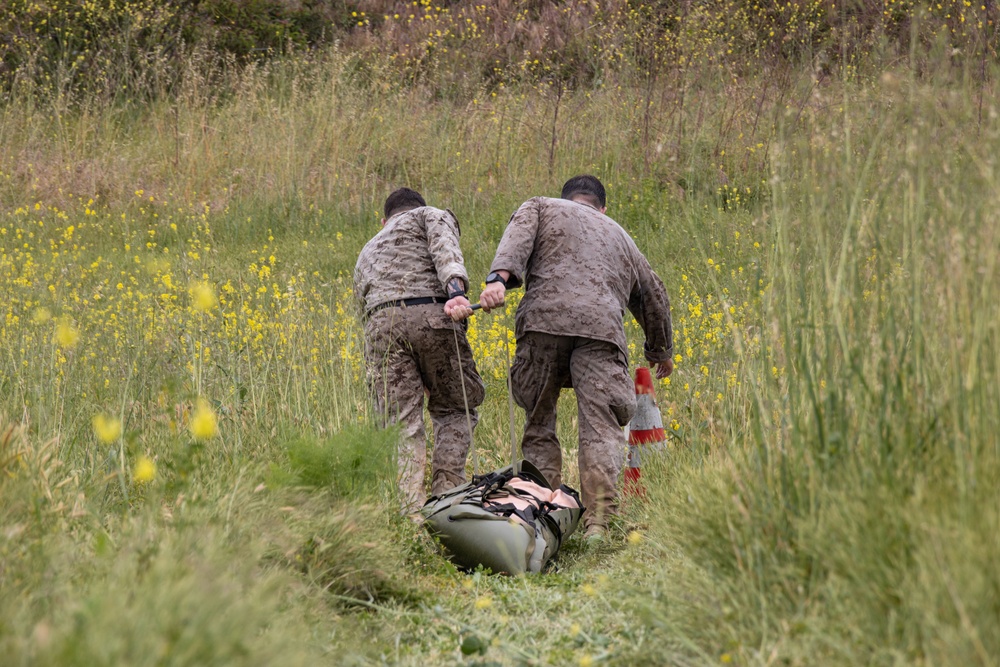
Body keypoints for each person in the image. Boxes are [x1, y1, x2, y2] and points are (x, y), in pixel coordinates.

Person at [450, 175, 673, 541]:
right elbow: (654, 295)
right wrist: (660, 351)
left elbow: (516, 240)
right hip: (601, 331)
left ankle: (539, 519)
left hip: (543, 323)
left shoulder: (542, 205)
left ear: (566, 199)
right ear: (602, 208)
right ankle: (599, 523)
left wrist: (497, 281)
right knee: (600, 427)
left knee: (539, 420)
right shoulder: (621, 234)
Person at [354, 187, 485, 516]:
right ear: (416, 209)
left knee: (401, 425)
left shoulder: (368, 247)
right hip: (432, 315)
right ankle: (446, 503)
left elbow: (362, 307)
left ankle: (408, 515)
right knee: (457, 408)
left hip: (380, 328)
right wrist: (456, 290)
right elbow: (444, 246)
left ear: (384, 220)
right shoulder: (429, 214)